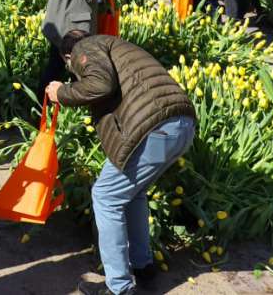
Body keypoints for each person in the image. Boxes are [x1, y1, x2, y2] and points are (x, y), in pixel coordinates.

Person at [45, 32, 196, 295]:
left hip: (154, 128)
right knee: (134, 193)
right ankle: (142, 265)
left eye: (71, 67)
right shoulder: (114, 45)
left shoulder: (85, 48)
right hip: (181, 124)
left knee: (105, 196)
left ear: (67, 57)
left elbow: (100, 84)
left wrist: (63, 92)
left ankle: (119, 288)